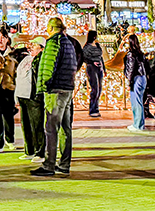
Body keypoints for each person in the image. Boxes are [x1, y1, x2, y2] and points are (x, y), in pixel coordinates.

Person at [32, 18, 80, 177]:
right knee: (66, 128)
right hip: (67, 89)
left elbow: (49, 66)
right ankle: (65, 164)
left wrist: (45, 85)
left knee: (51, 128)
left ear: (51, 28)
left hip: (55, 90)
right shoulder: (69, 43)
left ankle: (49, 164)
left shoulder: (53, 43)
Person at [16, 37, 46, 162]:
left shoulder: (41, 60)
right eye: (31, 45)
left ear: (42, 48)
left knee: (37, 125)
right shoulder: (26, 59)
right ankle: (29, 149)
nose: (32, 47)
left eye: (35, 45)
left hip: (33, 96)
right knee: (26, 124)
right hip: (22, 95)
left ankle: (40, 152)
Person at [124, 34, 148, 131]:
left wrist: (129, 80)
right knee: (139, 101)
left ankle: (137, 125)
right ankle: (139, 124)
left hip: (136, 78)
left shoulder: (131, 54)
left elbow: (131, 69)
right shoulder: (140, 53)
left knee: (136, 102)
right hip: (142, 77)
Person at [82, 30, 105, 118]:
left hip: (99, 68)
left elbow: (100, 57)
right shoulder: (87, 47)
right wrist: (92, 62)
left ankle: (96, 107)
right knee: (95, 88)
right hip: (92, 68)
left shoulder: (97, 46)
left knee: (99, 88)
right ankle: (93, 108)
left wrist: (104, 68)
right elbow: (84, 57)